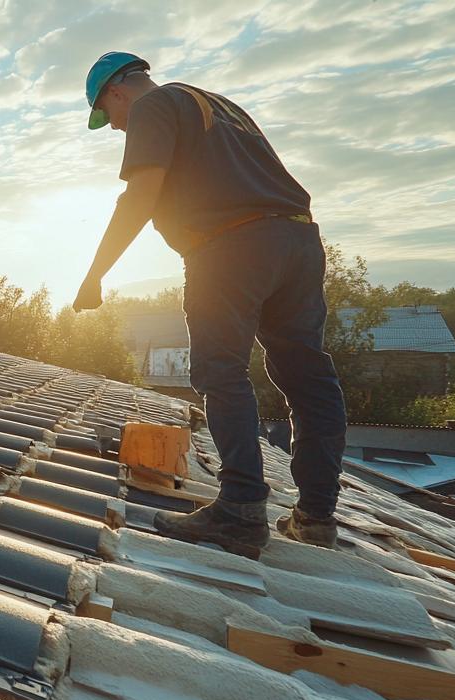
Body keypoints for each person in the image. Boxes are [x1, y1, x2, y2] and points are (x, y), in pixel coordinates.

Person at [72, 51, 346, 558]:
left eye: (108, 116)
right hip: (298, 242)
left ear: (116, 91)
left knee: (221, 372)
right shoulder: (220, 106)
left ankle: (240, 511)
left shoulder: (154, 106)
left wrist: (94, 275)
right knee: (309, 377)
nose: (114, 128)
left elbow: (140, 196)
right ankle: (316, 518)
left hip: (231, 246)